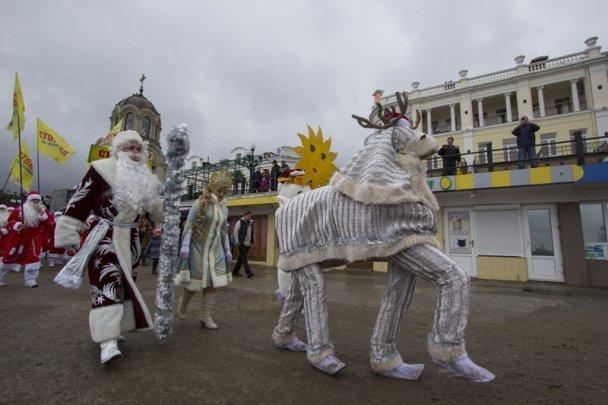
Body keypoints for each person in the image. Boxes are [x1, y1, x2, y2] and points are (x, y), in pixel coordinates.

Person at [273, 101, 494, 382]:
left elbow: (424, 149)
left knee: (401, 284)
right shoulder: (383, 157)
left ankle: (382, 356)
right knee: (453, 277)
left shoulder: (405, 179)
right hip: (304, 224)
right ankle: (446, 351)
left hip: (390, 226)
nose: (417, 136)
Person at [54, 130, 163, 364]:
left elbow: (155, 209)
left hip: (131, 237)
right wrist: (68, 233)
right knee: (106, 283)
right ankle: (107, 341)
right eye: (129, 148)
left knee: (124, 283)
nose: (134, 152)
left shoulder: (145, 176)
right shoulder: (100, 168)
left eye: (137, 148)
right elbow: (80, 200)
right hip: (104, 234)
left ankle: (115, 329)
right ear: (118, 150)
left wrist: (167, 206)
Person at [174, 170, 233, 329]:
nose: (221, 194)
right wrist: (185, 245)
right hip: (197, 247)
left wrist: (227, 249)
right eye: (219, 190)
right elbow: (189, 224)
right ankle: (183, 304)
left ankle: (206, 316)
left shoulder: (224, 208)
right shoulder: (201, 202)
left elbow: (223, 230)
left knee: (212, 284)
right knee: (195, 282)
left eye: (224, 191)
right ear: (212, 188)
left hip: (216, 250)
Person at [0, 192, 49, 287]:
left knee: (33, 257)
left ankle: (30, 280)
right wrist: (19, 225)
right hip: (19, 236)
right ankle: (1, 278)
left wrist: (42, 214)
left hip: (34, 237)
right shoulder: (19, 209)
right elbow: (10, 221)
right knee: (9, 257)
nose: (35, 202)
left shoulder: (41, 210)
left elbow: (48, 224)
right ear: (28, 200)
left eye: (37, 200)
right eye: (33, 200)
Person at [231, 212, 255, 278]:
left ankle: (235, 271)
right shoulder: (240, 222)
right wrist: (236, 241)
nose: (249, 217)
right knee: (244, 258)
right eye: (248, 216)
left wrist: (252, 241)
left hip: (248, 243)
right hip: (241, 243)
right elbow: (235, 231)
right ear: (244, 216)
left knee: (240, 259)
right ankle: (248, 273)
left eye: (250, 216)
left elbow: (252, 232)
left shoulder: (251, 223)